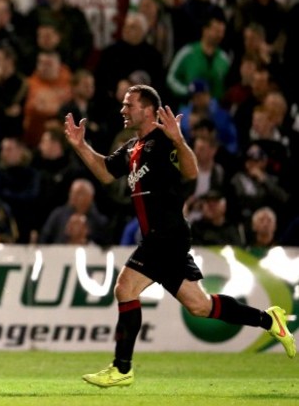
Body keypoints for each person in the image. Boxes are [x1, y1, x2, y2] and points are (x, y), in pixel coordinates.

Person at [63, 84, 295, 388]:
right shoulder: (133, 147)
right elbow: (106, 172)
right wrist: (81, 146)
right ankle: (269, 320)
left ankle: (122, 368)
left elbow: (192, 171)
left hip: (166, 235)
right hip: (162, 237)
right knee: (199, 306)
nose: (123, 110)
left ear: (148, 110)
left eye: (128, 105)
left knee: (125, 287)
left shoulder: (163, 140)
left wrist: (179, 139)